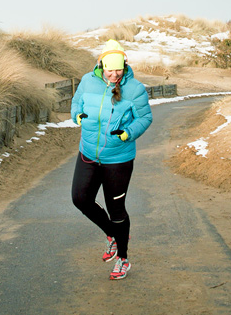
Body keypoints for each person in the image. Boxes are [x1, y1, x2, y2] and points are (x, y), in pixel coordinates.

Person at [70, 39, 153, 280]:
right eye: (109, 69)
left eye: (119, 69)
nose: (114, 74)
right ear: (101, 64)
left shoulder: (134, 88)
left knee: (116, 209)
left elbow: (145, 118)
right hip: (88, 153)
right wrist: (77, 115)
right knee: (80, 198)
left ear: (124, 65)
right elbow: (76, 103)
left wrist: (128, 133)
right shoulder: (87, 81)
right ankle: (112, 235)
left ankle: (123, 259)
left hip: (118, 158)